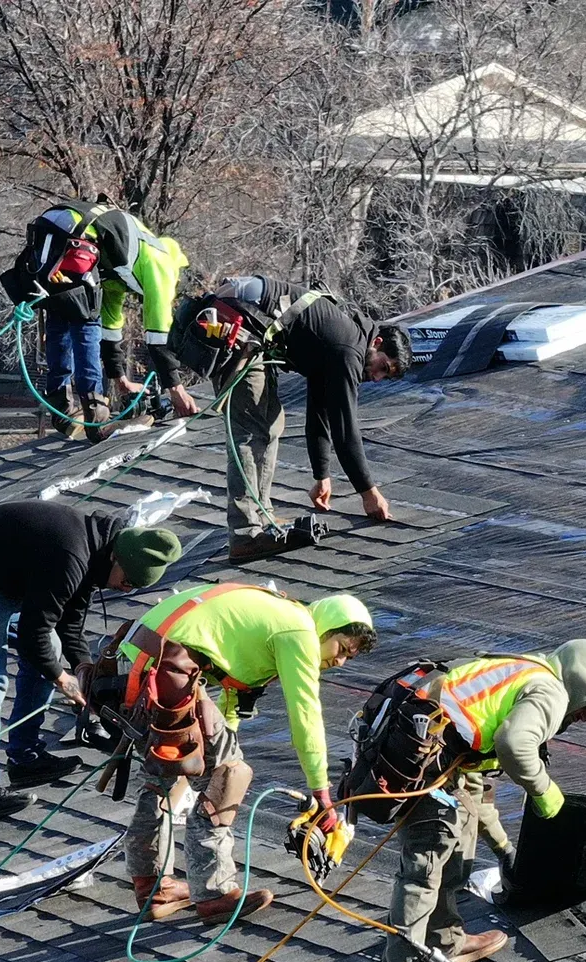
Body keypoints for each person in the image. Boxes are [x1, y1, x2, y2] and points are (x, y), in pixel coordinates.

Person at [381, 640, 586, 962]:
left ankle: (447, 942)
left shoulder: (520, 669)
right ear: (584, 683)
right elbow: (515, 745)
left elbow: (476, 791)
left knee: (456, 854)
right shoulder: (548, 691)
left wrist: (504, 849)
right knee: (420, 877)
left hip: (428, 759)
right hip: (421, 767)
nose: (581, 718)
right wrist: (545, 792)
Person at [119, 584, 376, 923]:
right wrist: (321, 793)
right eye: (340, 647)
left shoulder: (276, 612)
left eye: (348, 657)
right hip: (167, 673)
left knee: (166, 777)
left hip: (133, 667)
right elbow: (306, 716)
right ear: (325, 627)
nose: (339, 661)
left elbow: (225, 692)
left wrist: (213, 754)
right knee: (230, 778)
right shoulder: (298, 630)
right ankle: (214, 893)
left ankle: (154, 886)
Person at [0, 503, 183, 823]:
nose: (125, 588)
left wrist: (84, 672)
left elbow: (70, 626)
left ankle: (25, 757)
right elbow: (31, 634)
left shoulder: (97, 553)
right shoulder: (73, 557)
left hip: (4, 577)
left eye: (134, 587)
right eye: (125, 580)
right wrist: (62, 679)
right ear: (117, 559)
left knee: (49, 647)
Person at [201, 275, 412, 563]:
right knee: (252, 430)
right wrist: (369, 493)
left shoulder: (345, 342)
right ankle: (246, 535)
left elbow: (320, 411)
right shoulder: (350, 351)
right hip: (238, 317)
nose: (376, 377)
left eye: (385, 376)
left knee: (271, 423)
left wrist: (321, 476)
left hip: (247, 317)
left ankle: (260, 520)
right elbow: (346, 430)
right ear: (377, 342)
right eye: (383, 367)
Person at [0, 205, 108, 438]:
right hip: (72, 260)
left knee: (58, 323)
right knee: (86, 325)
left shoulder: (57, 217)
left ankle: (60, 408)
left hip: (46, 265)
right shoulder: (107, 223)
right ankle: (95, 413)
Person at [89, 207, 195, 428]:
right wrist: (176, 389)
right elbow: (158, 332)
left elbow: (110, 328)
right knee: (82, 328)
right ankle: (85, 408)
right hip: (86, 236)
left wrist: (120, 379)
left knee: (78, 323)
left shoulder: (120, 273)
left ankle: (76, 404)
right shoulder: (162, 263)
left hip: (79, 240)